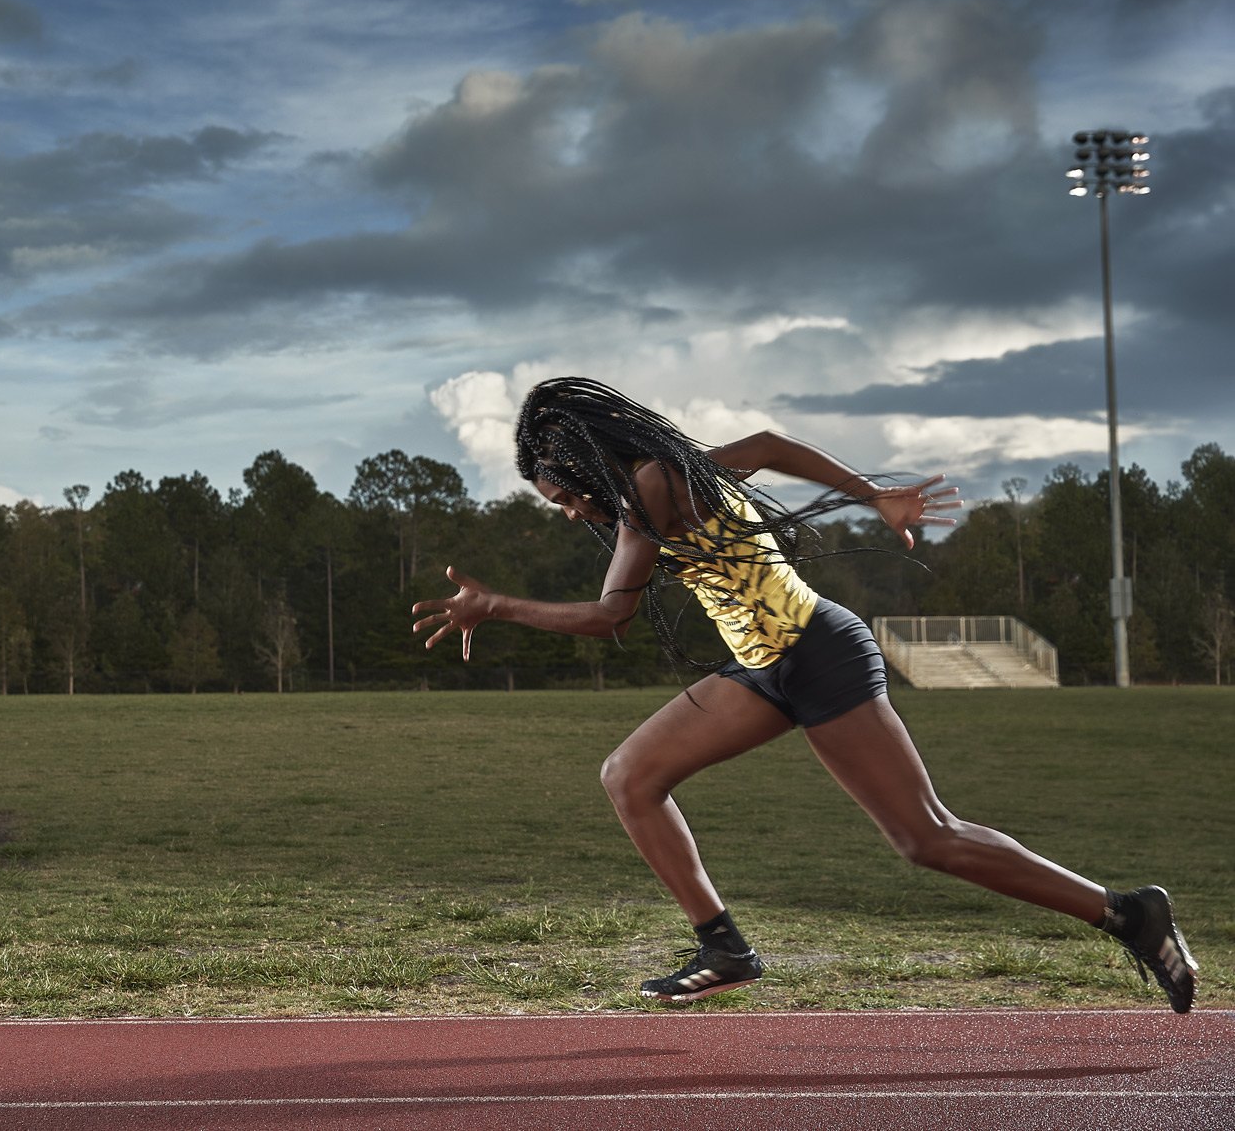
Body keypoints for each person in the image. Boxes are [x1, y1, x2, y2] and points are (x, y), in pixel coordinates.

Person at [410, 377, 1197, 1013]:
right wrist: (500, 605)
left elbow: (763, 452)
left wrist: (875, 493)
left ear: (583, 465)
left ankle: (1126, 912)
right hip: (760, 669)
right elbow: (618, 607)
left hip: (818, 651)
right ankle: (723, 946)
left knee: (927, 838)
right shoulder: (635, 512)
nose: (573, 511)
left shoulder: (662, 481)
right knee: (630, 776)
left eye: (565, 496)